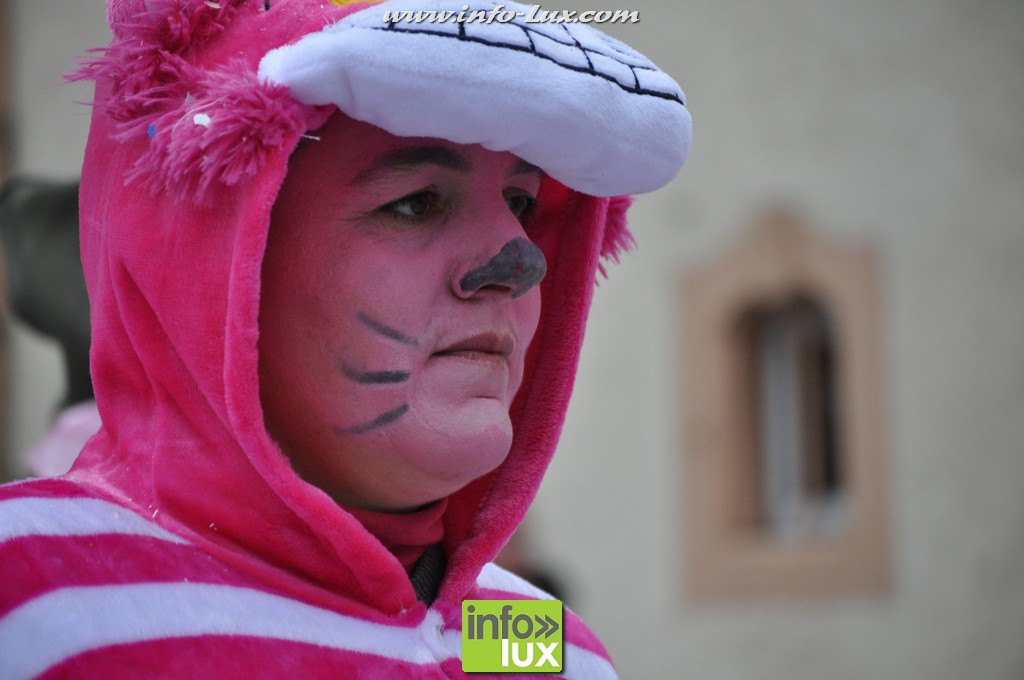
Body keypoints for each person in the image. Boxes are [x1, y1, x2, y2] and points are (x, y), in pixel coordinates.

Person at [0, 0, 691, 676]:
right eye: (416, 202)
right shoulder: (27, 584)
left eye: (521, 204)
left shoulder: (543, 648)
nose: (519, 262)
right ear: (215, 257)